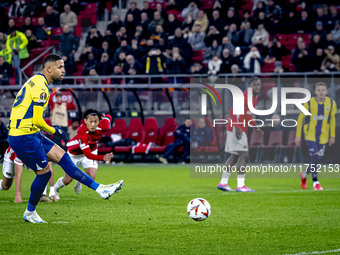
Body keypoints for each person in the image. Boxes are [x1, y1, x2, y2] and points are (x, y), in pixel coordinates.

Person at [8, 54, 123, 224]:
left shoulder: (36, 81)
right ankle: (30, 212)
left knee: (63, 157)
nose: (64, 71)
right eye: (60, 67)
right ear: (49, 69)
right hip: (23, 136)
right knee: (44, 173)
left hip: (30, 133)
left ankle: (100, 189)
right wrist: (55, 130)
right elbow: (38, 121)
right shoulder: (41, 88)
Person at [54, 109, 115, 200]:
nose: (93, 124)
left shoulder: (104, 126)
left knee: (91, 177)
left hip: (91, 150)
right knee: (67, 180)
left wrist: (106, 116)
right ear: (85, 121)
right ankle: (55, 189)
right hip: (74, 153)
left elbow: (109, 117)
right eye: (90, 121)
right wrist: (103, 157)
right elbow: (88, 155)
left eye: (95, 121)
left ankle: (78, 179)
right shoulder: (82, 132)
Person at [218, 77, 262, 192]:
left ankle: (223, 183)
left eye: (259, 84)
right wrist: (237, 126)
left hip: (240, 127)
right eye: (255, 84)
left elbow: (248, 115)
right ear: (249, 86)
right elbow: (233, 111)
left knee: (236, 155)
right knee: (244, 154)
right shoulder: (244, 96)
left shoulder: (254, 98)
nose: (257, 87)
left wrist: (254, 126)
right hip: (236, 128)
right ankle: (240, 185)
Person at [296, 82, 337, 191]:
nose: (321, 92)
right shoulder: (309, 104)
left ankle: (304, 174)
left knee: (317, 159)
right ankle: (316, 183)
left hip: (323, 136)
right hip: (310, 135)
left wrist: (332, 135)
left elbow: (332, 119)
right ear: (315, 92)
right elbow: (300, 119)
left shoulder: (331, 103)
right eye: (319, 90)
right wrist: (298, 136)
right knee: (315, 157)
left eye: (323, 90)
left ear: (326, 92)